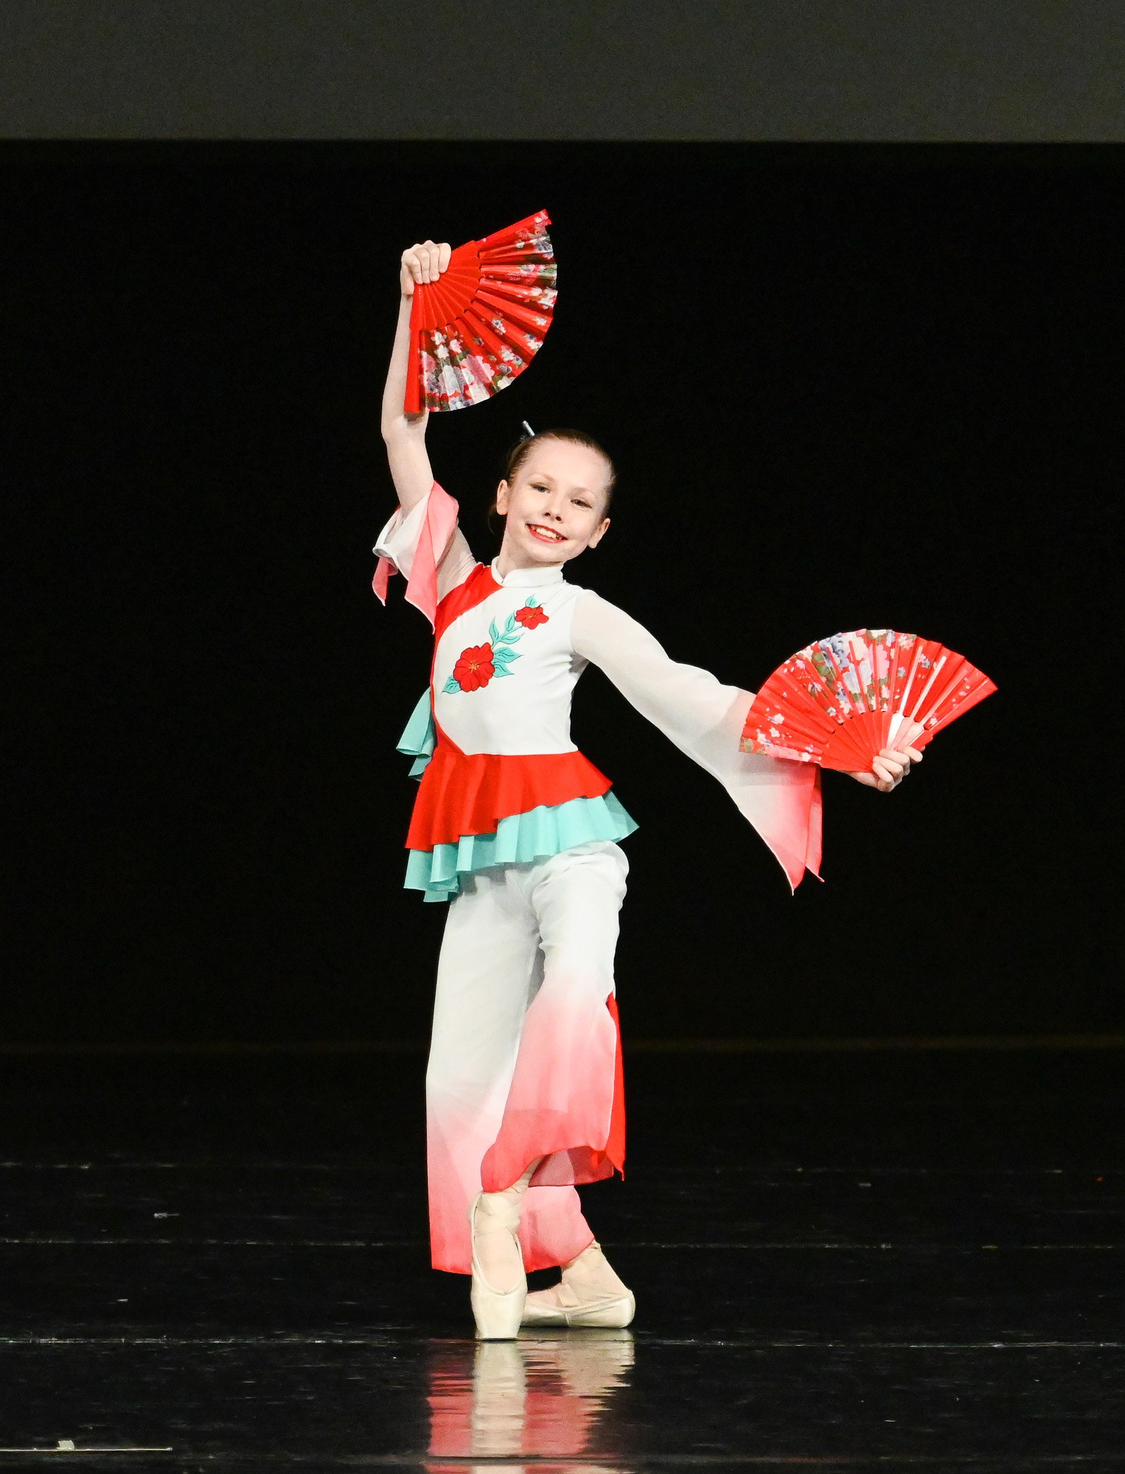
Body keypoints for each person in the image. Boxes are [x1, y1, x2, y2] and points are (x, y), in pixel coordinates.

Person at [374, 238, 920, 1339]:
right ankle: (578, 1269)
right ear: (501, 492)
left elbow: (694, 696)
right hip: (478, 855)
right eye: (540, 487)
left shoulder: (580, 612)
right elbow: (400, 427)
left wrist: (839, 750)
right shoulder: (449, 586)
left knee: (574, 1001)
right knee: (453, 1076)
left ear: (599, 529)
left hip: (574, 845)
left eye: (579, 502)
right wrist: (408, 305)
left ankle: (501, 1211)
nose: (555, 509)